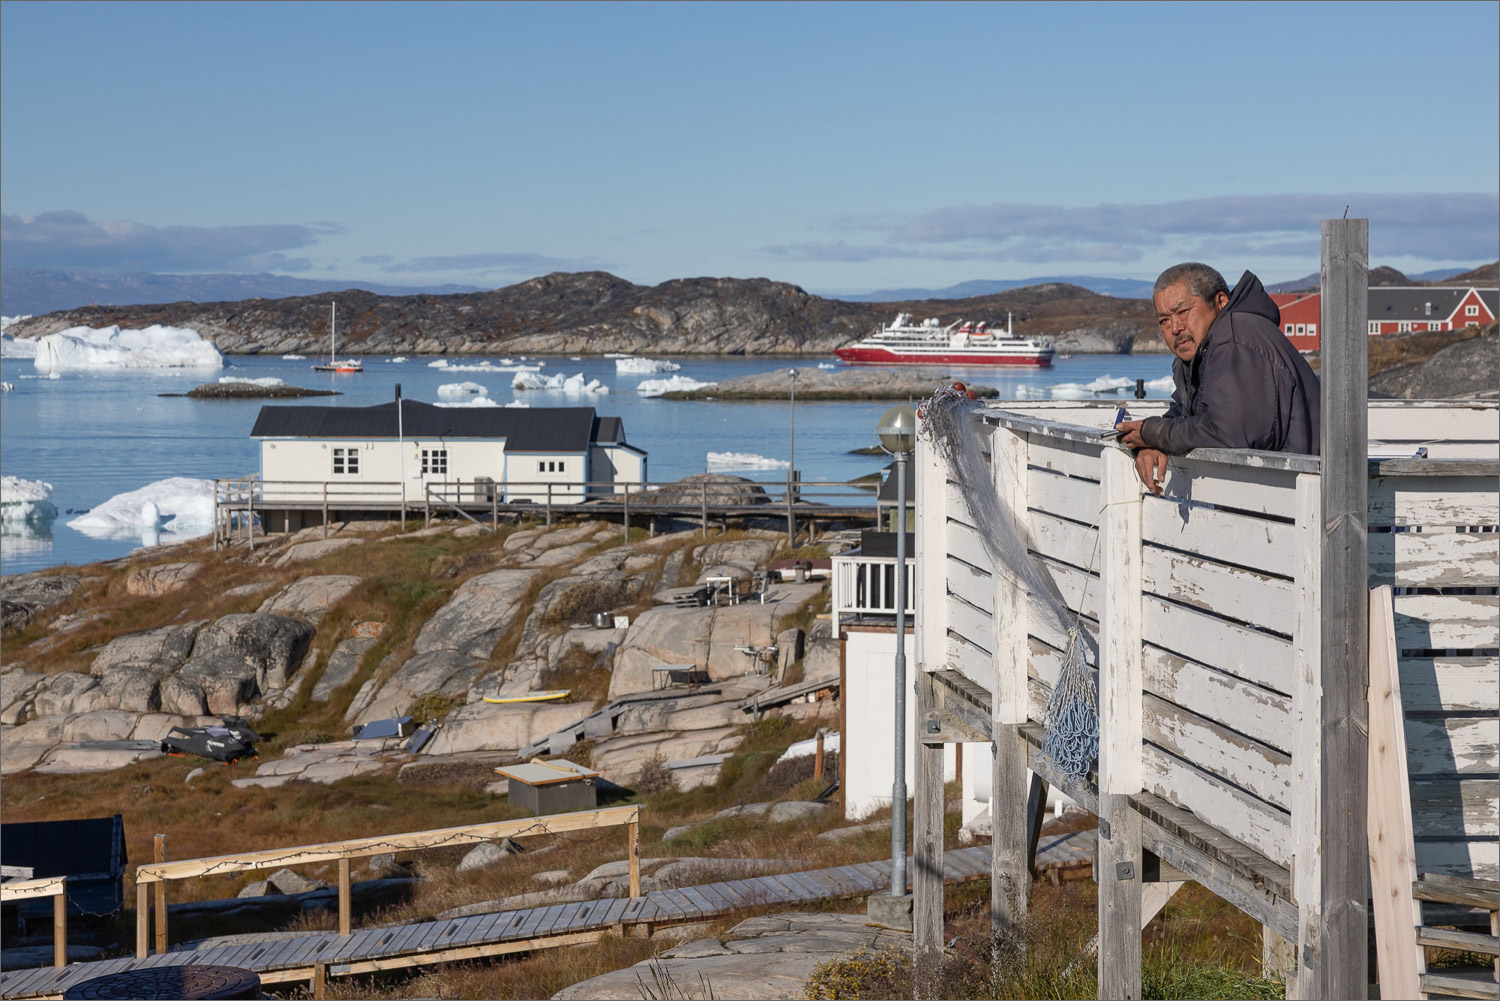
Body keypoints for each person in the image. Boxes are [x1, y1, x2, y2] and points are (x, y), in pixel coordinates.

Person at [1118, 262, 1320, 495]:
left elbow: (1227, 431)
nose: (1174, 327)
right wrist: (1150, 443)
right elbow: (1186, 414)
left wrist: (1153, 433)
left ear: (1221, 302)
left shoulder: (1235, 340)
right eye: (1164, 320)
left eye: (1183, 312)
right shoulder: (1202, 353)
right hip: (1277, 500)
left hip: (1300, 502)